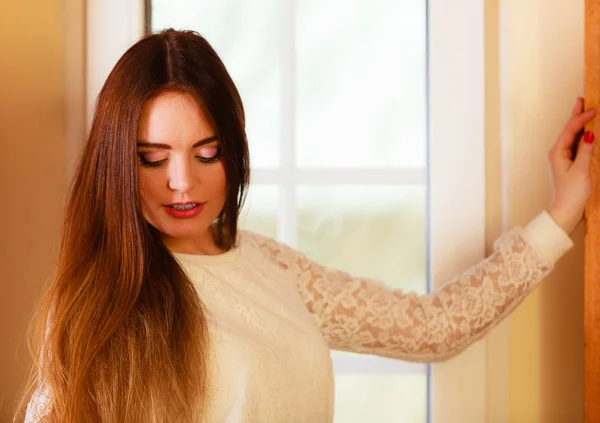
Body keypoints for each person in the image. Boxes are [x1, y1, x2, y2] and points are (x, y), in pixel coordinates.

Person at [16, 29, 596, 423]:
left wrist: (561, 215)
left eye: (206, 152)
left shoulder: (271, 266)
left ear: (234, 153)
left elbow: (431, 328)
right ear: (118, 161)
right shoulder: (96, 307)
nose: (183, 183)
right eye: (153, 157)